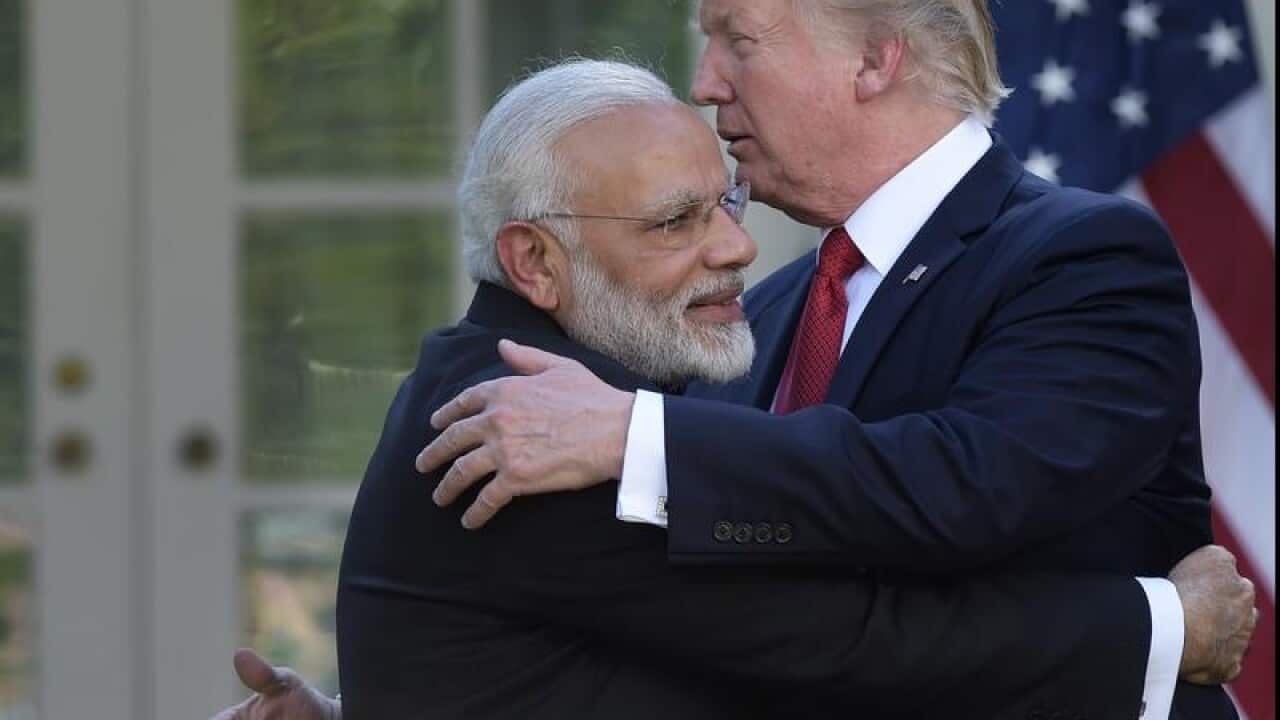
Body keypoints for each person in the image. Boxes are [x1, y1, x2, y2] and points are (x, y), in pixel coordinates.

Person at [210, 59, 1257, 720]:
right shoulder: (525, 426)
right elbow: (842, 641)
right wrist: (1156, 627)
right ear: (531, 264)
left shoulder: (619, 387)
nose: (734, 247)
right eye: (674, 222)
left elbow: (612, 642)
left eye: (724, 204)